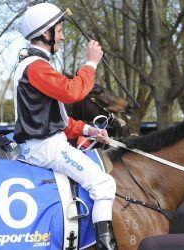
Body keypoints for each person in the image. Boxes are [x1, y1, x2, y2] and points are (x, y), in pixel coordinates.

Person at [14, 3, 117, 249]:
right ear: (46, 34)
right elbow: (73, 92)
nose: (62, 36)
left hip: (46, 144)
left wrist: (88, 130)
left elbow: (56, 118)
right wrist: (91, 63)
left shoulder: (40, 65)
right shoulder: (36, 66)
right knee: (105, 184)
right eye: (59, 31)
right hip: (46, 148)